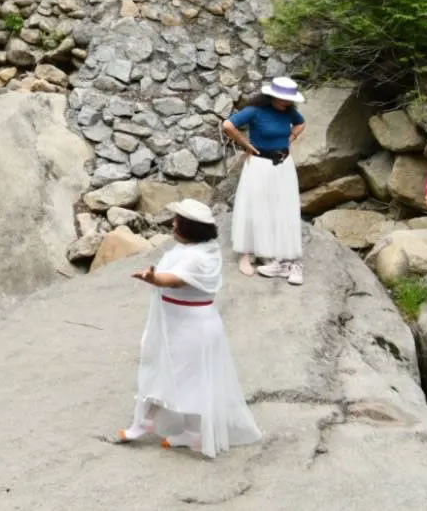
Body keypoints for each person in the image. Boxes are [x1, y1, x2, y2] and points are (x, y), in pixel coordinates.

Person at [116, 198, 262, 458]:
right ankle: (162, 426)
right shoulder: (202, 248)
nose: (173, 225)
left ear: (190, 229)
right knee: (168, 372)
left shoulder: (196, 258)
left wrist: (154, 278)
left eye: (177, 222)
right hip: (182, 324)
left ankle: (166, 428)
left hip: (190, 328)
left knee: (183, 379)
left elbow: (174, 280)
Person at [223, 78, 308, 285]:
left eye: (289, 100)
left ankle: (269, 251)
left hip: (284, 165)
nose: (287, 102)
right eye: (284, 99)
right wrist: (245, 144)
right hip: (259, 164)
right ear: (272, 96)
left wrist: (291, 138)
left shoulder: (289, 111)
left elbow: (301, 123)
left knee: (279, 206)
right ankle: (246, 253)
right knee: (254, 206)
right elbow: (228, 125)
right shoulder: (255, 110)